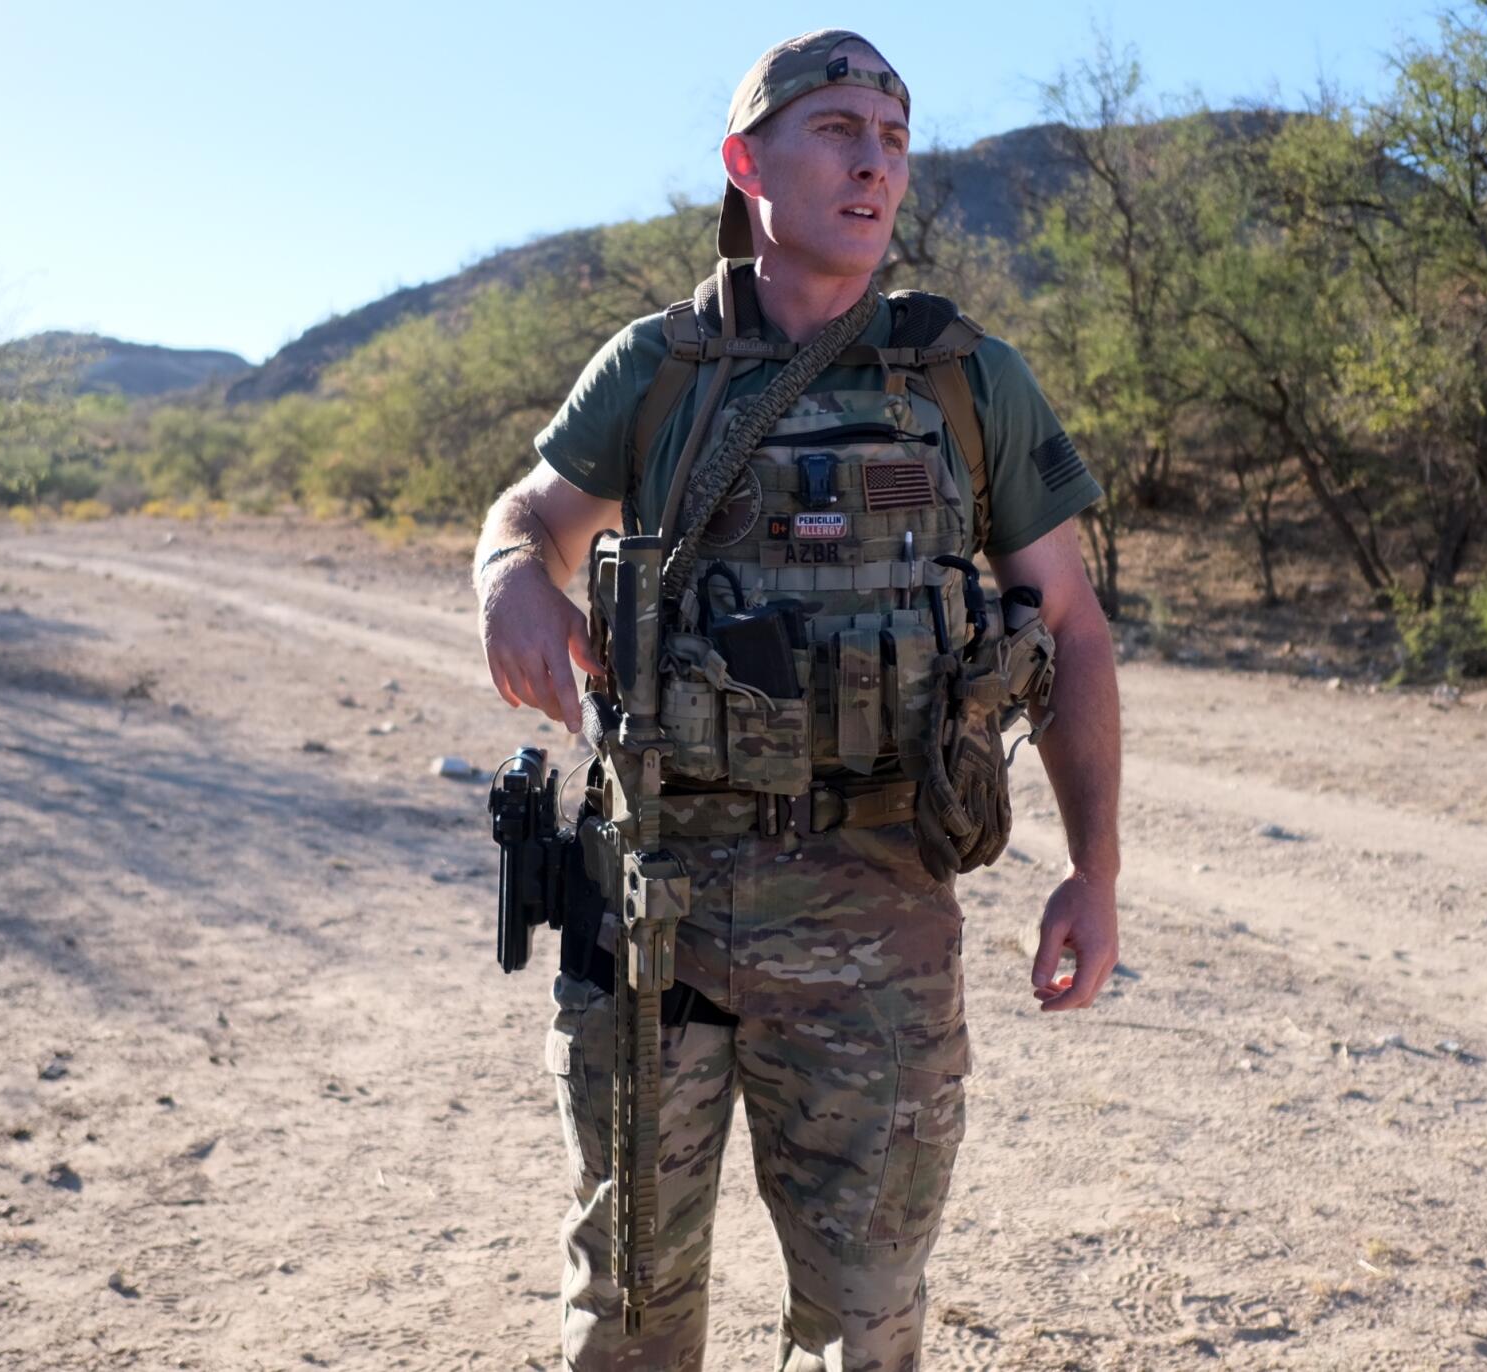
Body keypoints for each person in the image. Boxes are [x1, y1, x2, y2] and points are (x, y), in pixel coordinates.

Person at [473, 29, 1121, 1372]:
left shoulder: (965, 378)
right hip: (652, 926)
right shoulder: (658, 366)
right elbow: (528, 515)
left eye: (893, 139)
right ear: (746, 159)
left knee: (864, 1332)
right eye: (836, 129)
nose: (873, 161)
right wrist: (508, 579)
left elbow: (1068, 625)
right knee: (630, 1323)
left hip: (877, 939)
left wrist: (1094, 870)